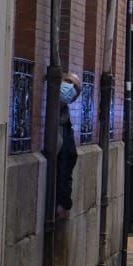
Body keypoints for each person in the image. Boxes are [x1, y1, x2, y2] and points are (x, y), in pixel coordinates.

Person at [55, 70, 82, 221]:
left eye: (75, 88)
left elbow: (68, 164)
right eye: (68, 82)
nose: (70, 87)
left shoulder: (66, 121)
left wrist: (64, 202)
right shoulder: (43, 105)